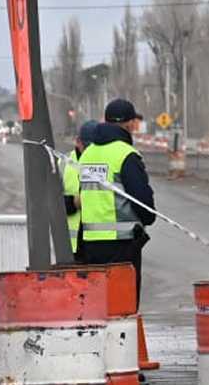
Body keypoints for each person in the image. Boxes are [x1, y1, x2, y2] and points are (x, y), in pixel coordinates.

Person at [74, 97, 156, 286]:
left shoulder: (88, 154)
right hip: (122, 245)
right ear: (130, 124)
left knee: (98, 305)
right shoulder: (126, 154)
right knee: (122, 305)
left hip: (91, 244)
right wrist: (148, 218)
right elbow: (143, 202)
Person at [61, 119, 98, 256]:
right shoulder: (62, 164)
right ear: (78, 142)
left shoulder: (105, 162)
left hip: (98, 244)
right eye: (88, 147)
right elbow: (48, 203)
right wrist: (73, 203)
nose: (91, 152)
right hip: (70, 247)